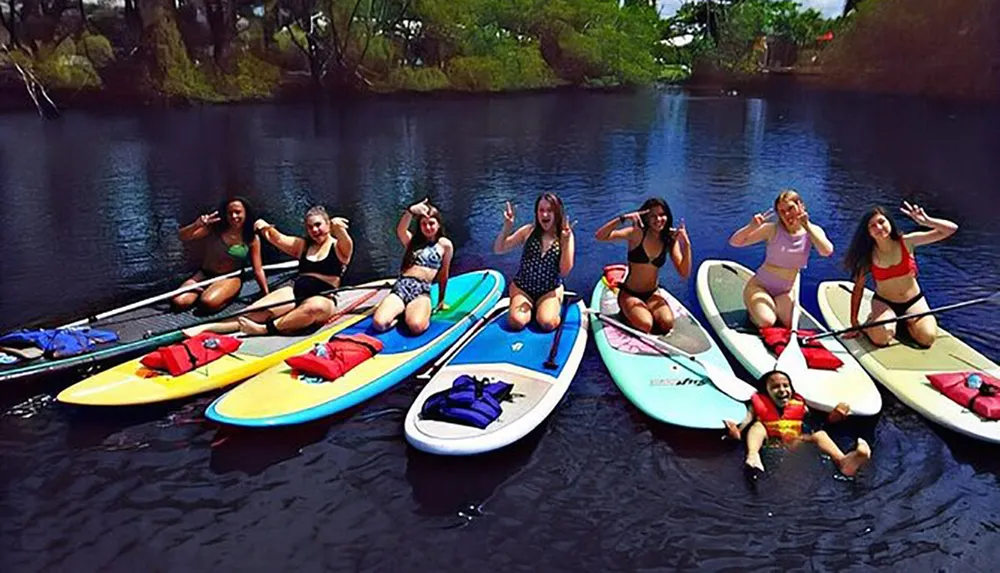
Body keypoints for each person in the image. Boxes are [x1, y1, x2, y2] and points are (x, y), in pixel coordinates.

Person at [182, 206, 353, 336]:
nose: (315, 230)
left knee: (314, 308)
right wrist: (264, 227)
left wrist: (341, 230)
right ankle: (211, 327)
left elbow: (347, 244)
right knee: (252, 312)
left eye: (318, 225)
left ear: (328, 224)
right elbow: (277, 238)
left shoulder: (338, 248)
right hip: (295, 292)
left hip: (323, 298)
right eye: (310, 227)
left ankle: (264, 329)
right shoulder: (302, 245)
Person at [842, 201, 958, 348]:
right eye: (872, 226)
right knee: (882, 339)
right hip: (885, 303)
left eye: (881, 221)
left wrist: (927, 221)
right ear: (868, 232)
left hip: (913, 301)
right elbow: (858, 289)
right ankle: (872, 322)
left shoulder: (907, 242)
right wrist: (854, 322)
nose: (878, 227)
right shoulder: (867, 256)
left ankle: (903, 322)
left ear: (889, 222)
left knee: (927, 338)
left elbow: (951, 229)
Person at [724, 370, 872, 478]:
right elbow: (747, 419)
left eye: (785, 385)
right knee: (758, 426)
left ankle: (843, 461)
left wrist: (834, 417)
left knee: (819, 435)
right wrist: (736, 432)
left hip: (795, 442)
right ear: (766, 391)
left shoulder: (800, 405)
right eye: (775, 387)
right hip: (770, 442)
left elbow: (818, 423)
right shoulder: (757, 404)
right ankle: (753, 456)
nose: (782, 390)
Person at [728, 190, 834, 328]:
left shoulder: (813, 231)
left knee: (791, 323)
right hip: (760, 286)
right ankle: (754, 313)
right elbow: (735, 242)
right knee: (767, 321)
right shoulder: (772, 230)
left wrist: (806, 225)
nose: (787, 214)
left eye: (790, 208)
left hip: (785, 291)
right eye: (782, 211)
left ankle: (770, 308)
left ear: (800, 205)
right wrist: (752, 226)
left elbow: (826, 251)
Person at [594, 197, 692, 333]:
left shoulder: (668, 239)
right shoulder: (637, 233)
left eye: (662, 215)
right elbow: (600, 236)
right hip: (630, 294)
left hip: (652, 294)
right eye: (653, 216)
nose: (658, 220)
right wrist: (622, 218)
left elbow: (684, 273)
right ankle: (626, 314)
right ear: (645, 218)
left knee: (667, 323)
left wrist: (686, 245)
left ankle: (641, 313)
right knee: (646, 325)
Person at [493, 193, 575, 332]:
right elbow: (499, 249)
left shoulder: (565, 236)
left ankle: (549, 305)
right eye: (541, 210)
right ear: (536, 213)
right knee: (516, 322)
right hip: (523, 288)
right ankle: (530, 307)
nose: (545, 215)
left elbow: (565, 271)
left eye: (549, 210)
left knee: (547, 323)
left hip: (549, 290)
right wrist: (507, 227)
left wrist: (566, 243)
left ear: (557, 212)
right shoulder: (528, 231)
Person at [372, 199, 453, 336]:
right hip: (402, 286)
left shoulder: (445, 245)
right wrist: (410, 212)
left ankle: (409, 312)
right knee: (379, 324)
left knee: (417, 327)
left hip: (422, 290)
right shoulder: (413, 242)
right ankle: (400, 314)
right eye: (424, 224)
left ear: (438, 225)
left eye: (431, 223)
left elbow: (444, 274)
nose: (428, 227)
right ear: (419, 226)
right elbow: (400, 230)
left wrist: (441, 300)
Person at [172, 196, 268, 313]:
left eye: (238, 212)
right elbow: (183, 237)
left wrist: (265, 293)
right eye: (230, 213)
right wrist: (197, 225)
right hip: (204, 275)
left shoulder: (251, 238)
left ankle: (221, 293)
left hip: (230, 277)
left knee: (207, 302)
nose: (234, 217)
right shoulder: (214, 229)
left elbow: (258, 269)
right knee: (179, 302)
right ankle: (208, 291)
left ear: (246, 213)